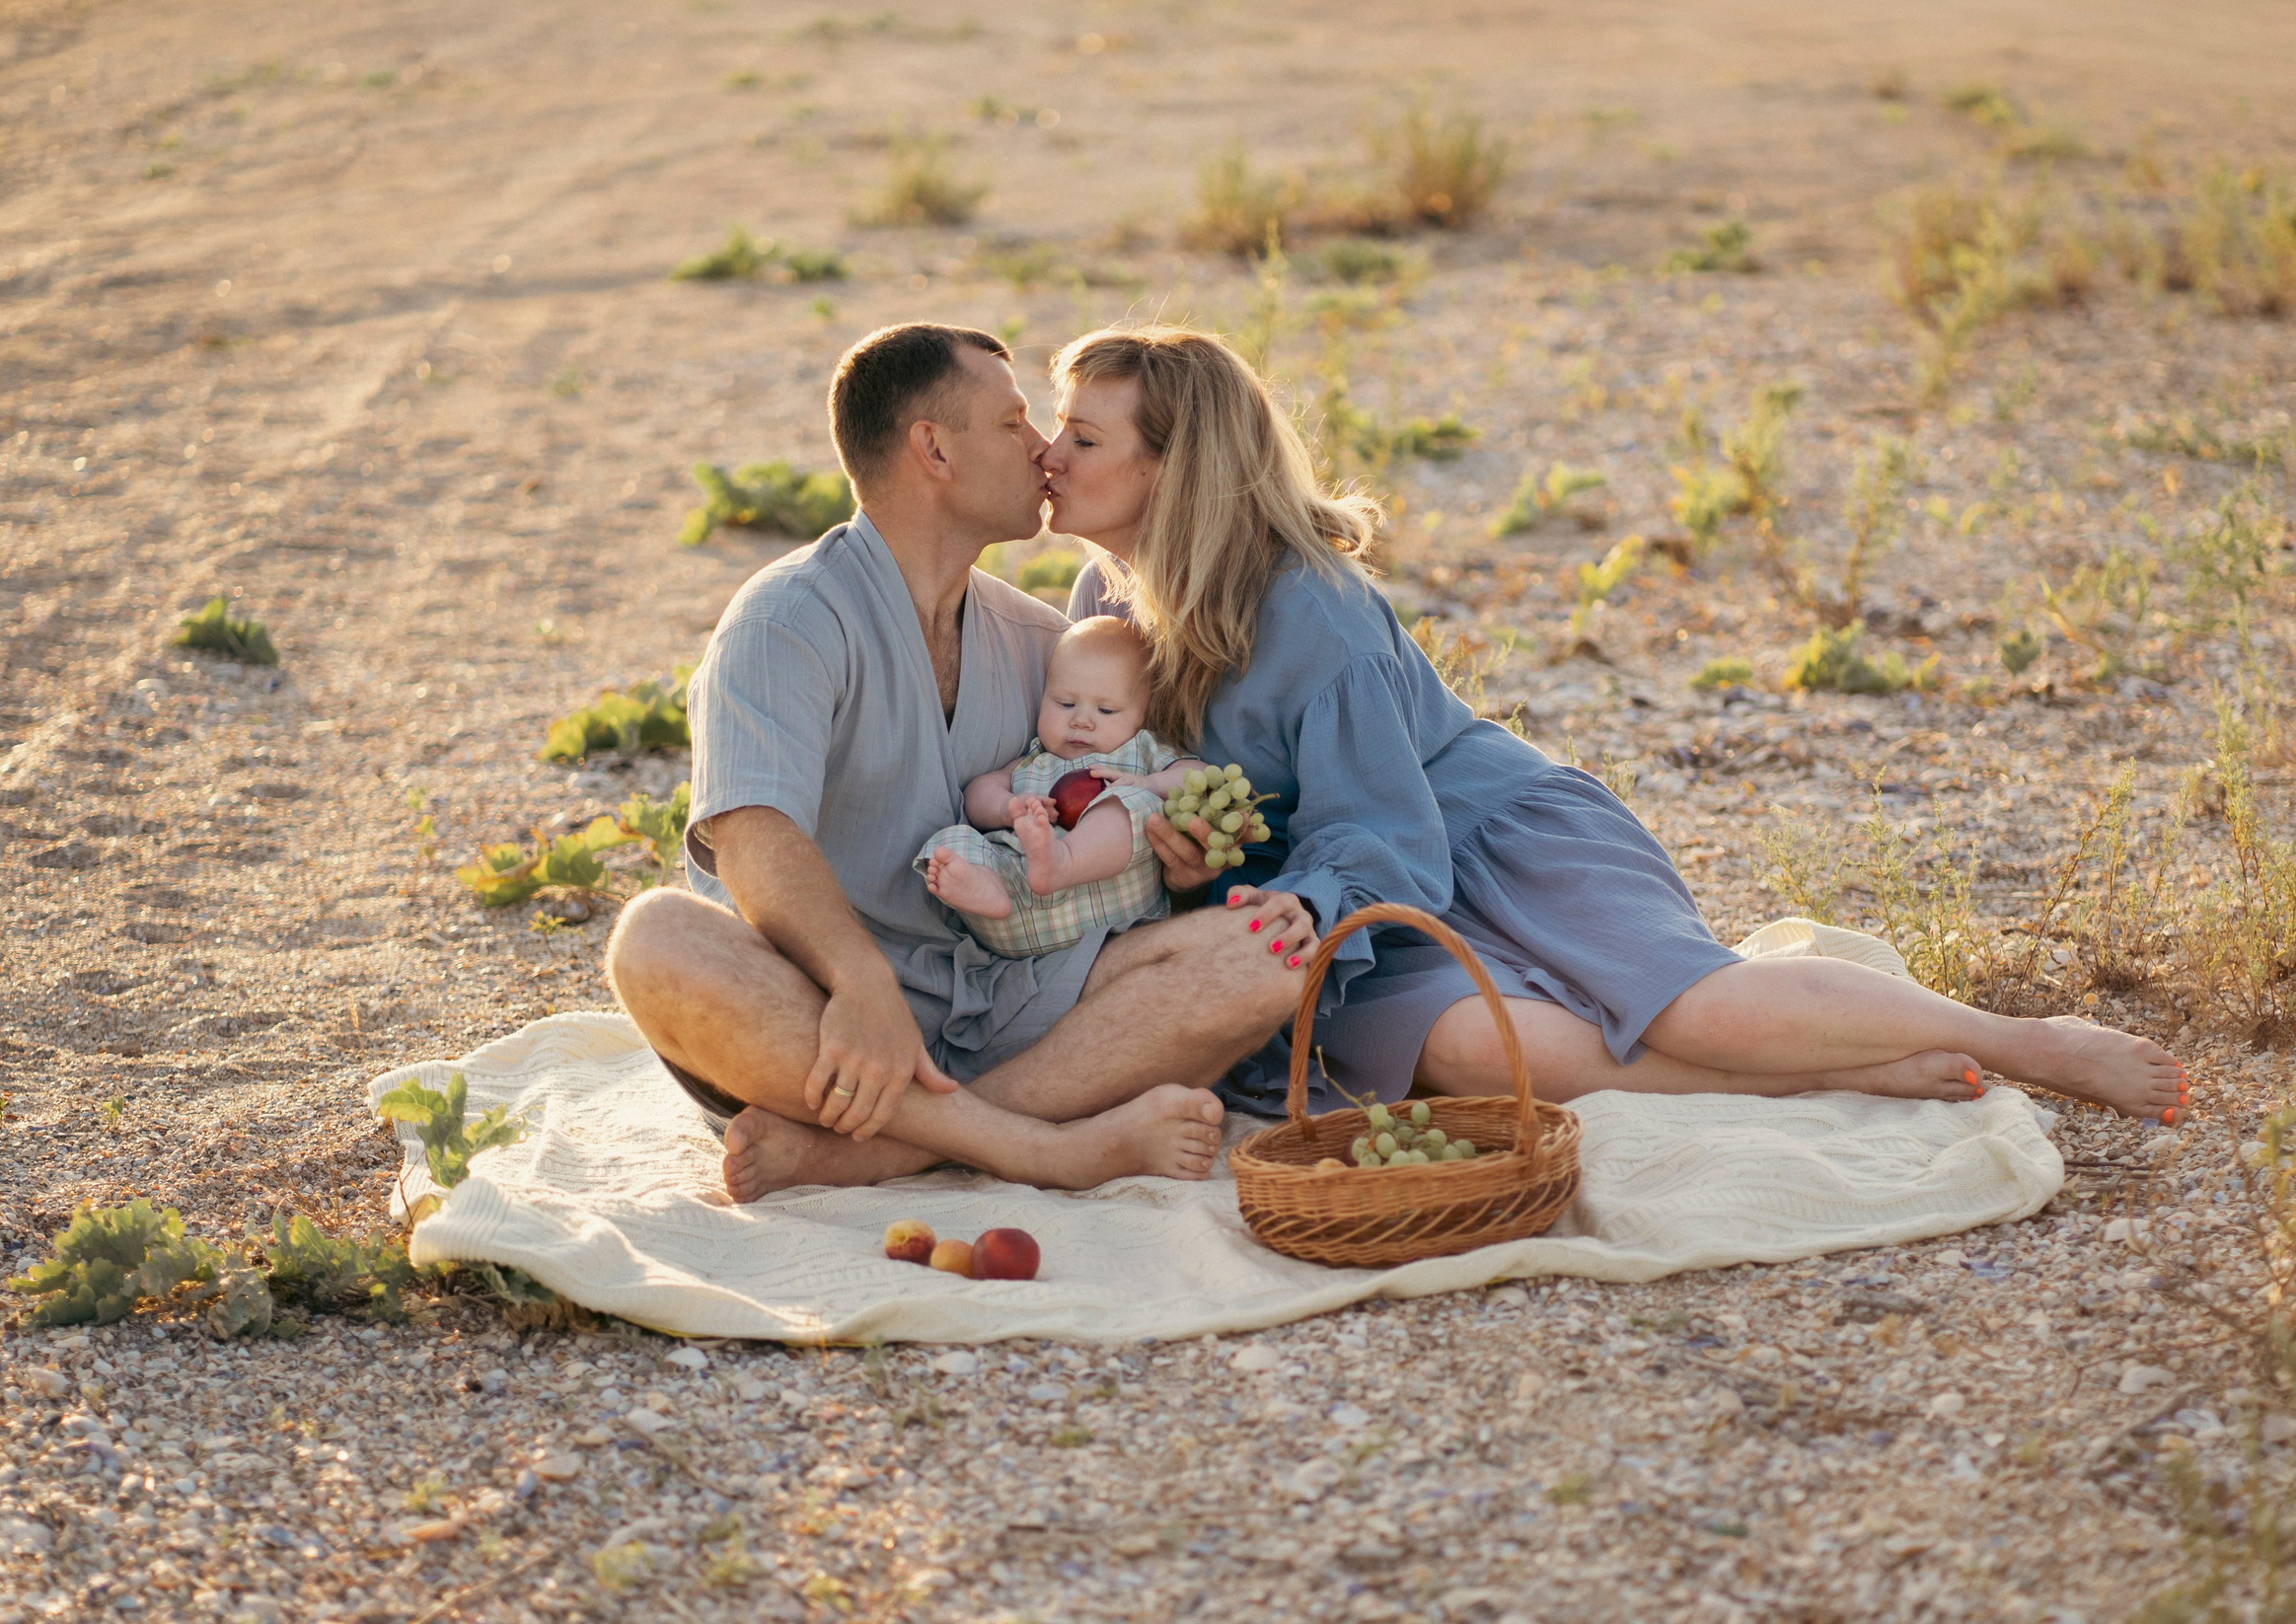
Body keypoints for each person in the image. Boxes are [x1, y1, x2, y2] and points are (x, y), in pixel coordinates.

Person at [1045, 325, 2192, 1123]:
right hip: (1363, 912)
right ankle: (1822, 1080)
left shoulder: (1316, 616)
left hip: (1479, 835)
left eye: (1083, 437)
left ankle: (2024, 1041)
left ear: (1174, 468)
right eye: (1056, 426)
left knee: (1690, 1007)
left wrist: (1290, 894)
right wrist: (1203, 857)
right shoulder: (1106, 601)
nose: (1053, 454)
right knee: (1468, 1055)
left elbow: (1387, 833)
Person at [603, 323, 1315, 1203]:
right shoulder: (783, 620)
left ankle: (895, 1149)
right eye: (1015, 424)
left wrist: (1174, 853)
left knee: (1266, 950)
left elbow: (1115, 805)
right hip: (817, 1024)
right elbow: (752, 837)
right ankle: (1046, 1149)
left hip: (1001, 993)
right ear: (933, 450)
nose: (1044, 449)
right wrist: (860, 983)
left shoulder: (1045, 645)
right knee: (656, 940)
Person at [918, 613, 1201, 956]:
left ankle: (1064, 861)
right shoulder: (1033, 759)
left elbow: (1196, 778)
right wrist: (1007, 808)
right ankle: (987, 887)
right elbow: (978, 793)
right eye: (1065, 703)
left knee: (1132, 804)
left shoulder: (1141, 750)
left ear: (1144, 714)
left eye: (1106, 710)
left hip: (1115, 913)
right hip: (1019, 902)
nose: (1081, 720)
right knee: (951, 839)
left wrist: (1148, 782)